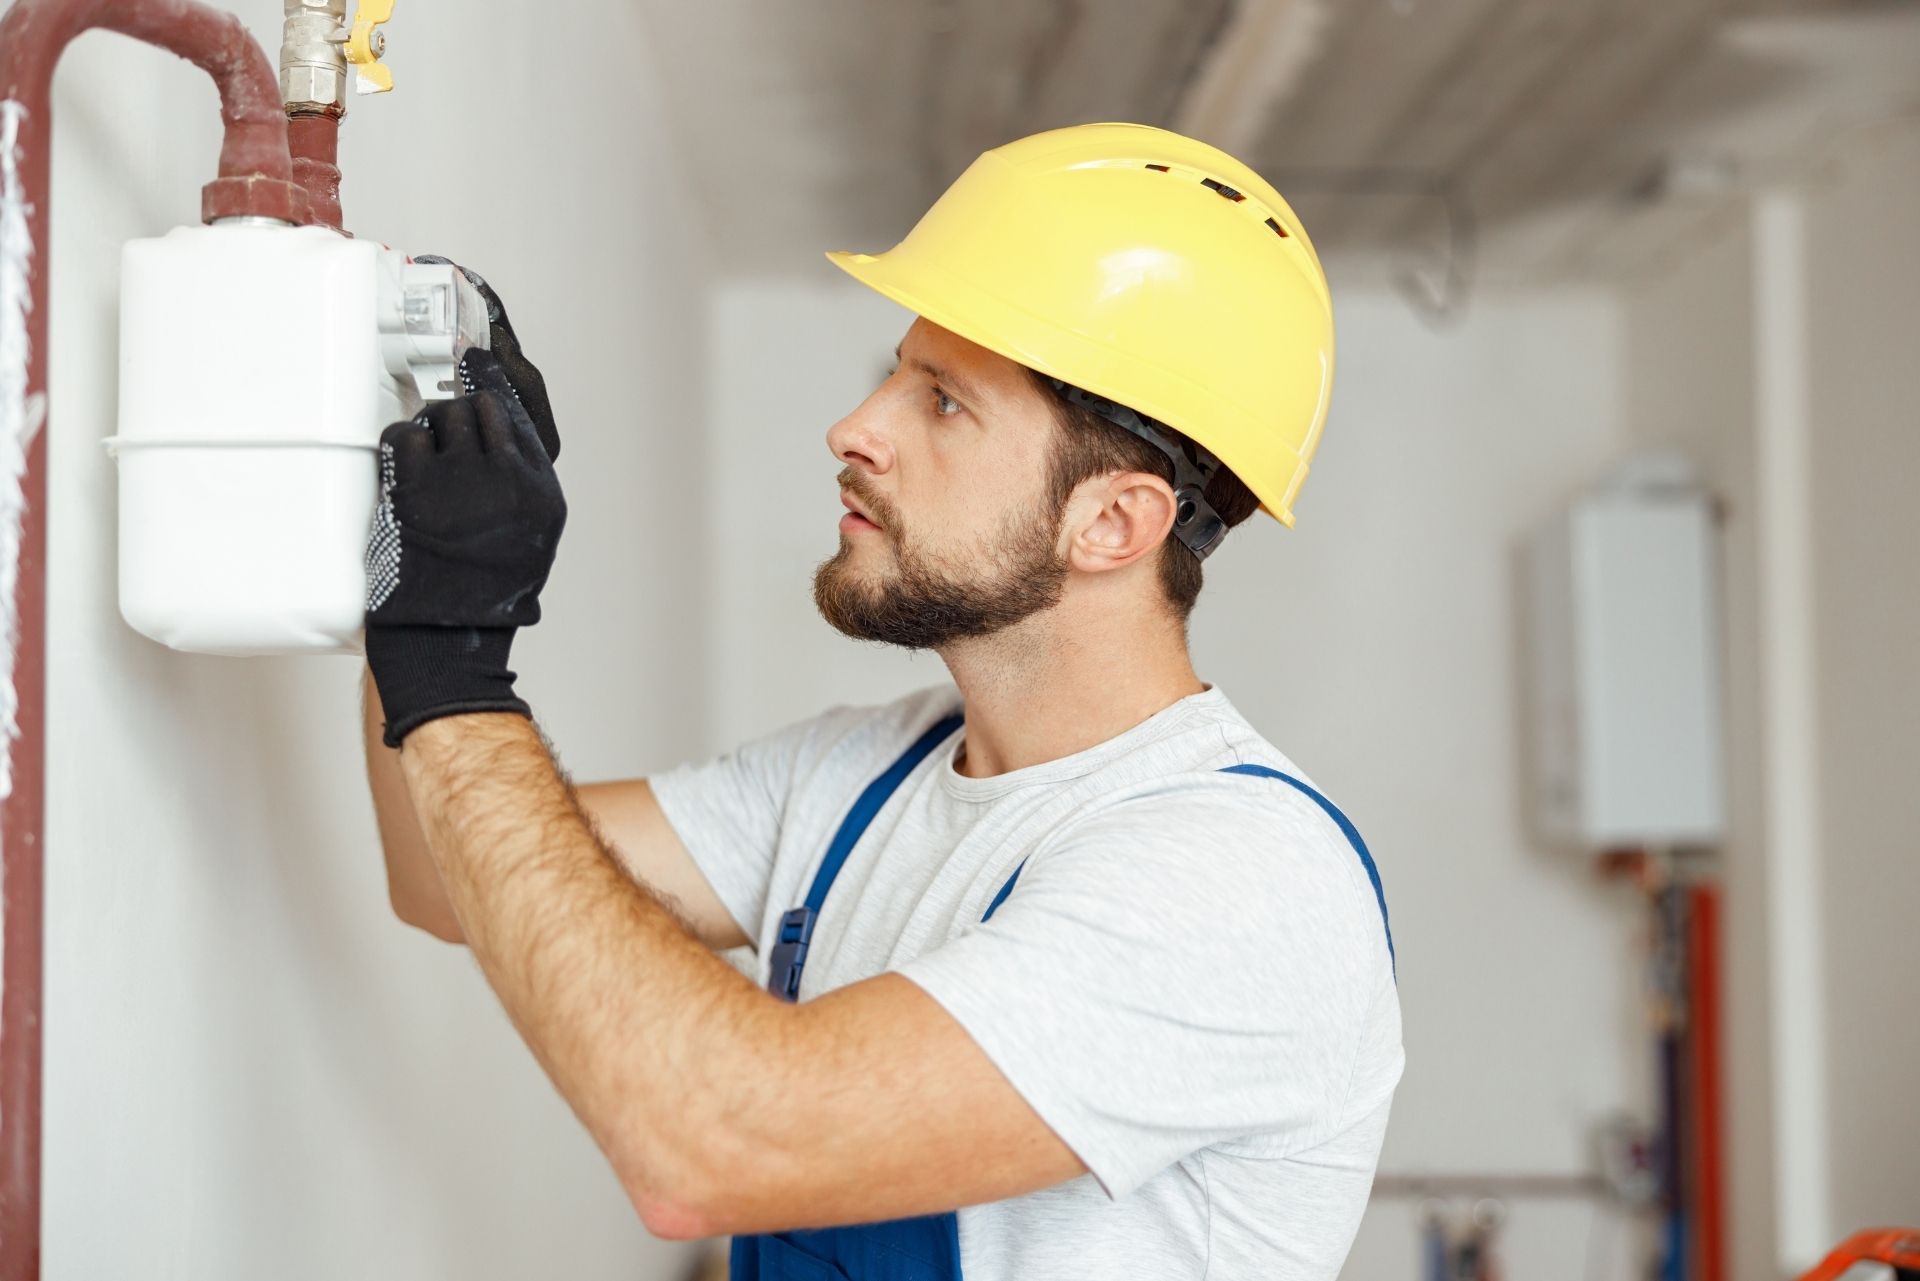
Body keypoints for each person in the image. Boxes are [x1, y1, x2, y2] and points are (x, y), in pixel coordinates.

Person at [362, 122, 1402, 1281]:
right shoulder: (864, 776)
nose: (855, 430)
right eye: (894, 374)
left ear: (1113, 522)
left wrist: (454, 658)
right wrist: (413, 565)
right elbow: (440, 871)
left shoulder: (1239, 878)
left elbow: (715, 1145)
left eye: (944, 402)